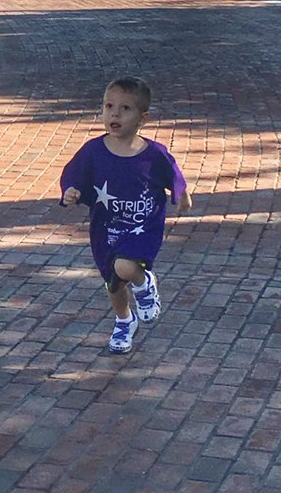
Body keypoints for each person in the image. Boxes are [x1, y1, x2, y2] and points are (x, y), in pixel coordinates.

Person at [59, 76, 193, 354]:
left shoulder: (153, 154)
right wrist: (70, 191)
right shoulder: (93, 152)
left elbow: (173, 175)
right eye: (109, 106)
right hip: (106, 228)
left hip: (142, 227)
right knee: (113, 281)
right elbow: (73, 176)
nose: (114, 113)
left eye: (125, 108)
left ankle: (145, 285)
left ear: (143, 118)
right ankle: (124, 320)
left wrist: (181, 194)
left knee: (125, 266)